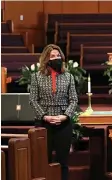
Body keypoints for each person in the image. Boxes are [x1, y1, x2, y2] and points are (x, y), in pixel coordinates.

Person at [29, 44, 78, 180]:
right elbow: (33, 100)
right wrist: (45, 117)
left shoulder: (68, 77)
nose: (56, 58)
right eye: (52, 56)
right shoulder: (37, 77)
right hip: (44, 123)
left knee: (63, 163)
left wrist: (64, 116)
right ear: (46, 59)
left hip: (63, 123)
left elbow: (73, 100)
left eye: (58, 56)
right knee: (43, 161)